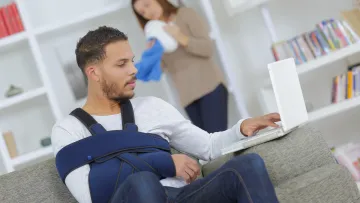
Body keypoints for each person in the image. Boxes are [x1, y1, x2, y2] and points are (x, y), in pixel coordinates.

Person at [51, 26, 281, 203]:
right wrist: (163, 162)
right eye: (121, 64)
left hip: (182, 196)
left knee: (248, 165)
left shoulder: (152, 107)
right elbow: (91, 196)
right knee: (143, 183)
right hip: (136, 197)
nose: (134, 70)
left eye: (131, 61)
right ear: (94, 73)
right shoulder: (68, 129)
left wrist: (242, 129)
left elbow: (208, 147)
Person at [132, 0, 230, 133]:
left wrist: (180, 37)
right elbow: (162, 68)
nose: (147, 13)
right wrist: (152, 54)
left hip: (210, 88)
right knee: (205, 148)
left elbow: (207, 49)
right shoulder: (155, 32)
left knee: (218, 141)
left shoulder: (185, 14)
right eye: (142, 12)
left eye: (147, 5)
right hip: (187, 98)